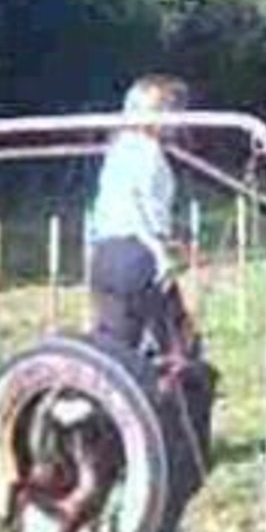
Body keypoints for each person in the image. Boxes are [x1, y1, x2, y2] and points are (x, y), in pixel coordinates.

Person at [89, 74, 195, 363]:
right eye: (175, 111)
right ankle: (173, 403)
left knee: (113, 346)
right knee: (176, 345)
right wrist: (162, 252)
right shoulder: (147, 153)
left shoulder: (119, 148)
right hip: (136, 254)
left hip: (106, 252)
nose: (179, 120)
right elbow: (143, 208)